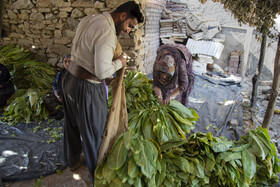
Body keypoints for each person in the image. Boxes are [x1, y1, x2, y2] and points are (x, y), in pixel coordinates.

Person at [62, 1, 144, 182]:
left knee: (72, 125)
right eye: (130, 25)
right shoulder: (107, 32)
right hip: (87, 87)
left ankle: (72, 161)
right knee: (94, 132)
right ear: (122, 16)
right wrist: (120, 62)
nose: (129, 30)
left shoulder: (89, 19)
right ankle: (97, 175)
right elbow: (103, 71)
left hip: (69, 81)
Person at [43, 54, 70, 120]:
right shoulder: (60, 73)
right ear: (63, 63)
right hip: (60, 96)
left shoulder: (75, 74)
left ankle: (66, 110)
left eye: (69, 62)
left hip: (70, 98)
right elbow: (54, 86)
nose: (67, 64)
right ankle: (61, 111)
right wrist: (57, 96)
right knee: (46, 99)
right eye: (65, 62)